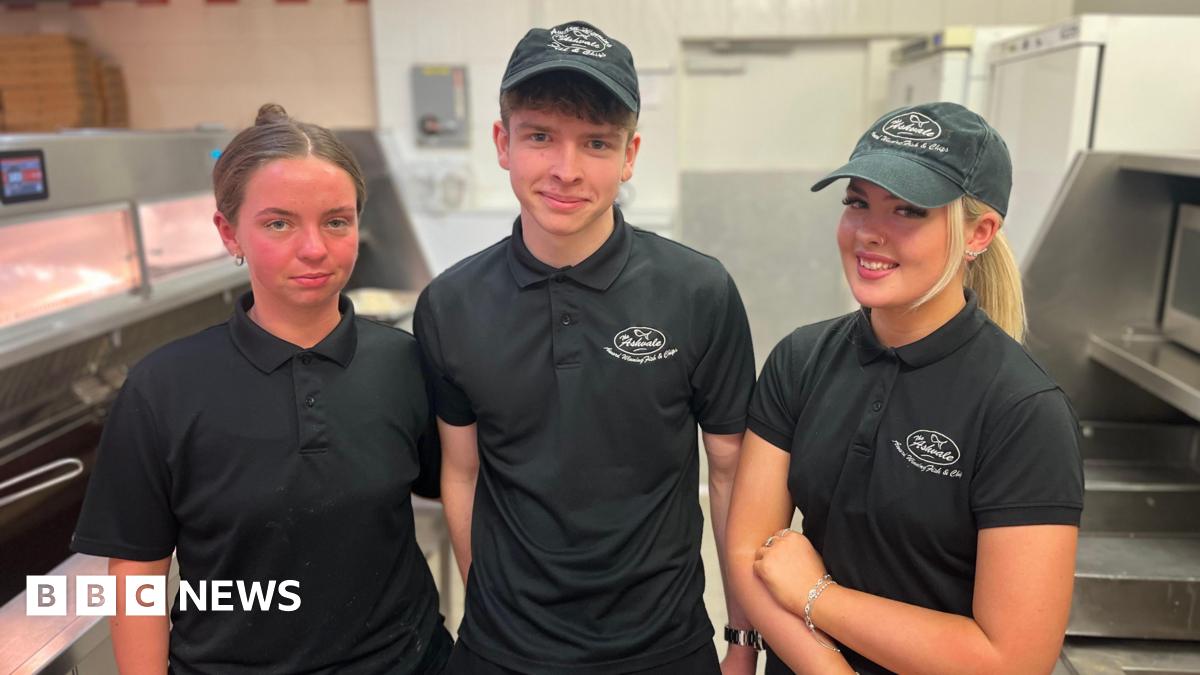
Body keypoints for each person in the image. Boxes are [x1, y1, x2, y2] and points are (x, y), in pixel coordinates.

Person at [413, 21, 758, 675]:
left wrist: (743, 639)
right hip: (503, 651)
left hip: (664, 646)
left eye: (596, 143)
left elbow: (731, 472)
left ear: (629, 156)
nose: (566, 170)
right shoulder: (451, 304)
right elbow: (461, 472)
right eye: (540, 135)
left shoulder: (698, 291)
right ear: (502, 143)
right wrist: (487, 608)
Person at [71, 103, 452, 675]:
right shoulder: (163, 388)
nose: (314, 248)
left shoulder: (406, 363)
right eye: (279, 223)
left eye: (336, 221)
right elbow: (136, 577)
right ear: (230, 233)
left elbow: (462, 488)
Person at [726, 102, 1084, 675]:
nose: (870, 231)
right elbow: (751, 554)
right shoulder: (801, 360)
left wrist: (818, 595)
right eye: (856, 203)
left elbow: (1013, 659)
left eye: (908, 211)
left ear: (980, 233)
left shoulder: (1022, 410)